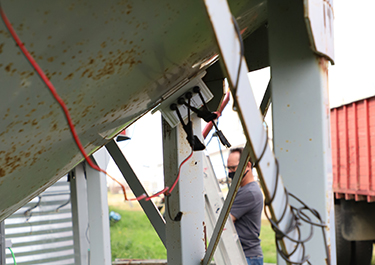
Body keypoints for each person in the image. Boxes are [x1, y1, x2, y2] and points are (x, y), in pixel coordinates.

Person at [227, 147, 264, 265]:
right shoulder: (243, 189)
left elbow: (225, 221)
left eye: (233, 168)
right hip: (245, 255)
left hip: (248, 257)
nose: (230, 172)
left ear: (247, 165)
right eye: (228, 168)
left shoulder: (249, 192)